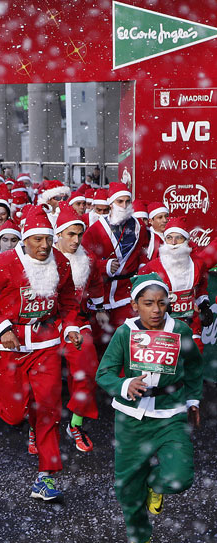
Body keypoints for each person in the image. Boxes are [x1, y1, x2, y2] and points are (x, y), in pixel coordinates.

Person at [0, 206, 81, 500]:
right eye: (37, 240)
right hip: (10, 346)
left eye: (48, 239)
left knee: (48, 408)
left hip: (45, 345)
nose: (44, 246)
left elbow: (70, 299)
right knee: (13, 414)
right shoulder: (2, 264)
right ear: (25, 240)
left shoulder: (61, 263)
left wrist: (70, 326)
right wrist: (2, 329)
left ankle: (45, 477)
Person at [96, 274, 202, 543]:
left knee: (180, 477)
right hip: (131, 417)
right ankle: (139, 538)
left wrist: (193, 400)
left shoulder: (180, 330)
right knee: (128, 486)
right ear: (134, 305)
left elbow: (193, 367)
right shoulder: (124, 333)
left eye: (161, 303)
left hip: (170, 413)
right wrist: (123, 385)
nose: (156, 310)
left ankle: (156, 486)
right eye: (148, 303)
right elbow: (104, 372)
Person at [53, 205, 105, 452]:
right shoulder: (45, 255)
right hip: (48, 324)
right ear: (59, 234)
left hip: (79, 321)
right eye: (70, 234)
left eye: (79, 234)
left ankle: (75, 423)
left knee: (86, 370)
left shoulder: (89, 259)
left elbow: (95, 286)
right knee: (39, 379)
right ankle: (36, 429)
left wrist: (100, 308)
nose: (75, 240)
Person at [82, 182, 149, 346]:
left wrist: (142, 272)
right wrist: (102, 266)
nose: (124, 205)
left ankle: (124, 372)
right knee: (99, 340)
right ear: (111, 204)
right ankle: (102, 371)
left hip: (126, 292)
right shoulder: (96, 229)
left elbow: (143, 253)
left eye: (127, 201)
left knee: (127, 338)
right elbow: (83, 260)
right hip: (101, 292)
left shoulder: (139, 226)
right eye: (120, 201)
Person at [139, 217, 212, 352]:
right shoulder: (152, 267)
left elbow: (201, 287)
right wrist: (160, 305)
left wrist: (204, 305)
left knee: (193, 361)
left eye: (178, 238)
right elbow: (140, 295)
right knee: (168, 366)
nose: (173, 243)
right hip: (163, 323)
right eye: (169, 238)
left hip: (191, 322)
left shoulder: (198, 264)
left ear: (186, 240)